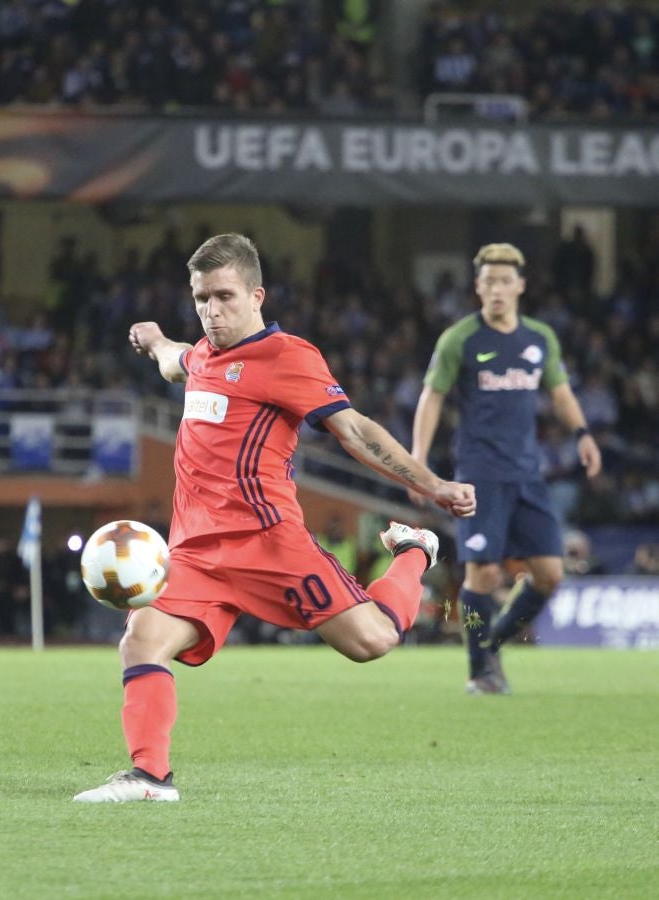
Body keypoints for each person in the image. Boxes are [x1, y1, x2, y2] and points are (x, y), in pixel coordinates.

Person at [73, 233, 475, 803]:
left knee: (373, 641)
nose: (212, 311)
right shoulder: (202, 357)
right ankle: (149, 778)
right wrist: (157, 338)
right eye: (201, 298)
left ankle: (414, 551)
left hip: (269, 544)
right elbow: (174, 362)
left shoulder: (287, 357)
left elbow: (354, 431)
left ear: (256, 295)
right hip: (195, 553)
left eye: (224, 297)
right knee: (140, 640)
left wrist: (431, 485)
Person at [408, 243, 601, 695]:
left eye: (504, 280)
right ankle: (480, 669)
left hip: (528, 474)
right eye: (488, 281)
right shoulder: (460, 339)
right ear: (478, 288)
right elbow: (431, 396)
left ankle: (490, 641)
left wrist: (583, 434)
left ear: (520, 286)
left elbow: (560, 392)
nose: (496, 289)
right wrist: (417, 457)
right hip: (480, 474)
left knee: (551, 574)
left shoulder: (539, 339)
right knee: (483, 576)